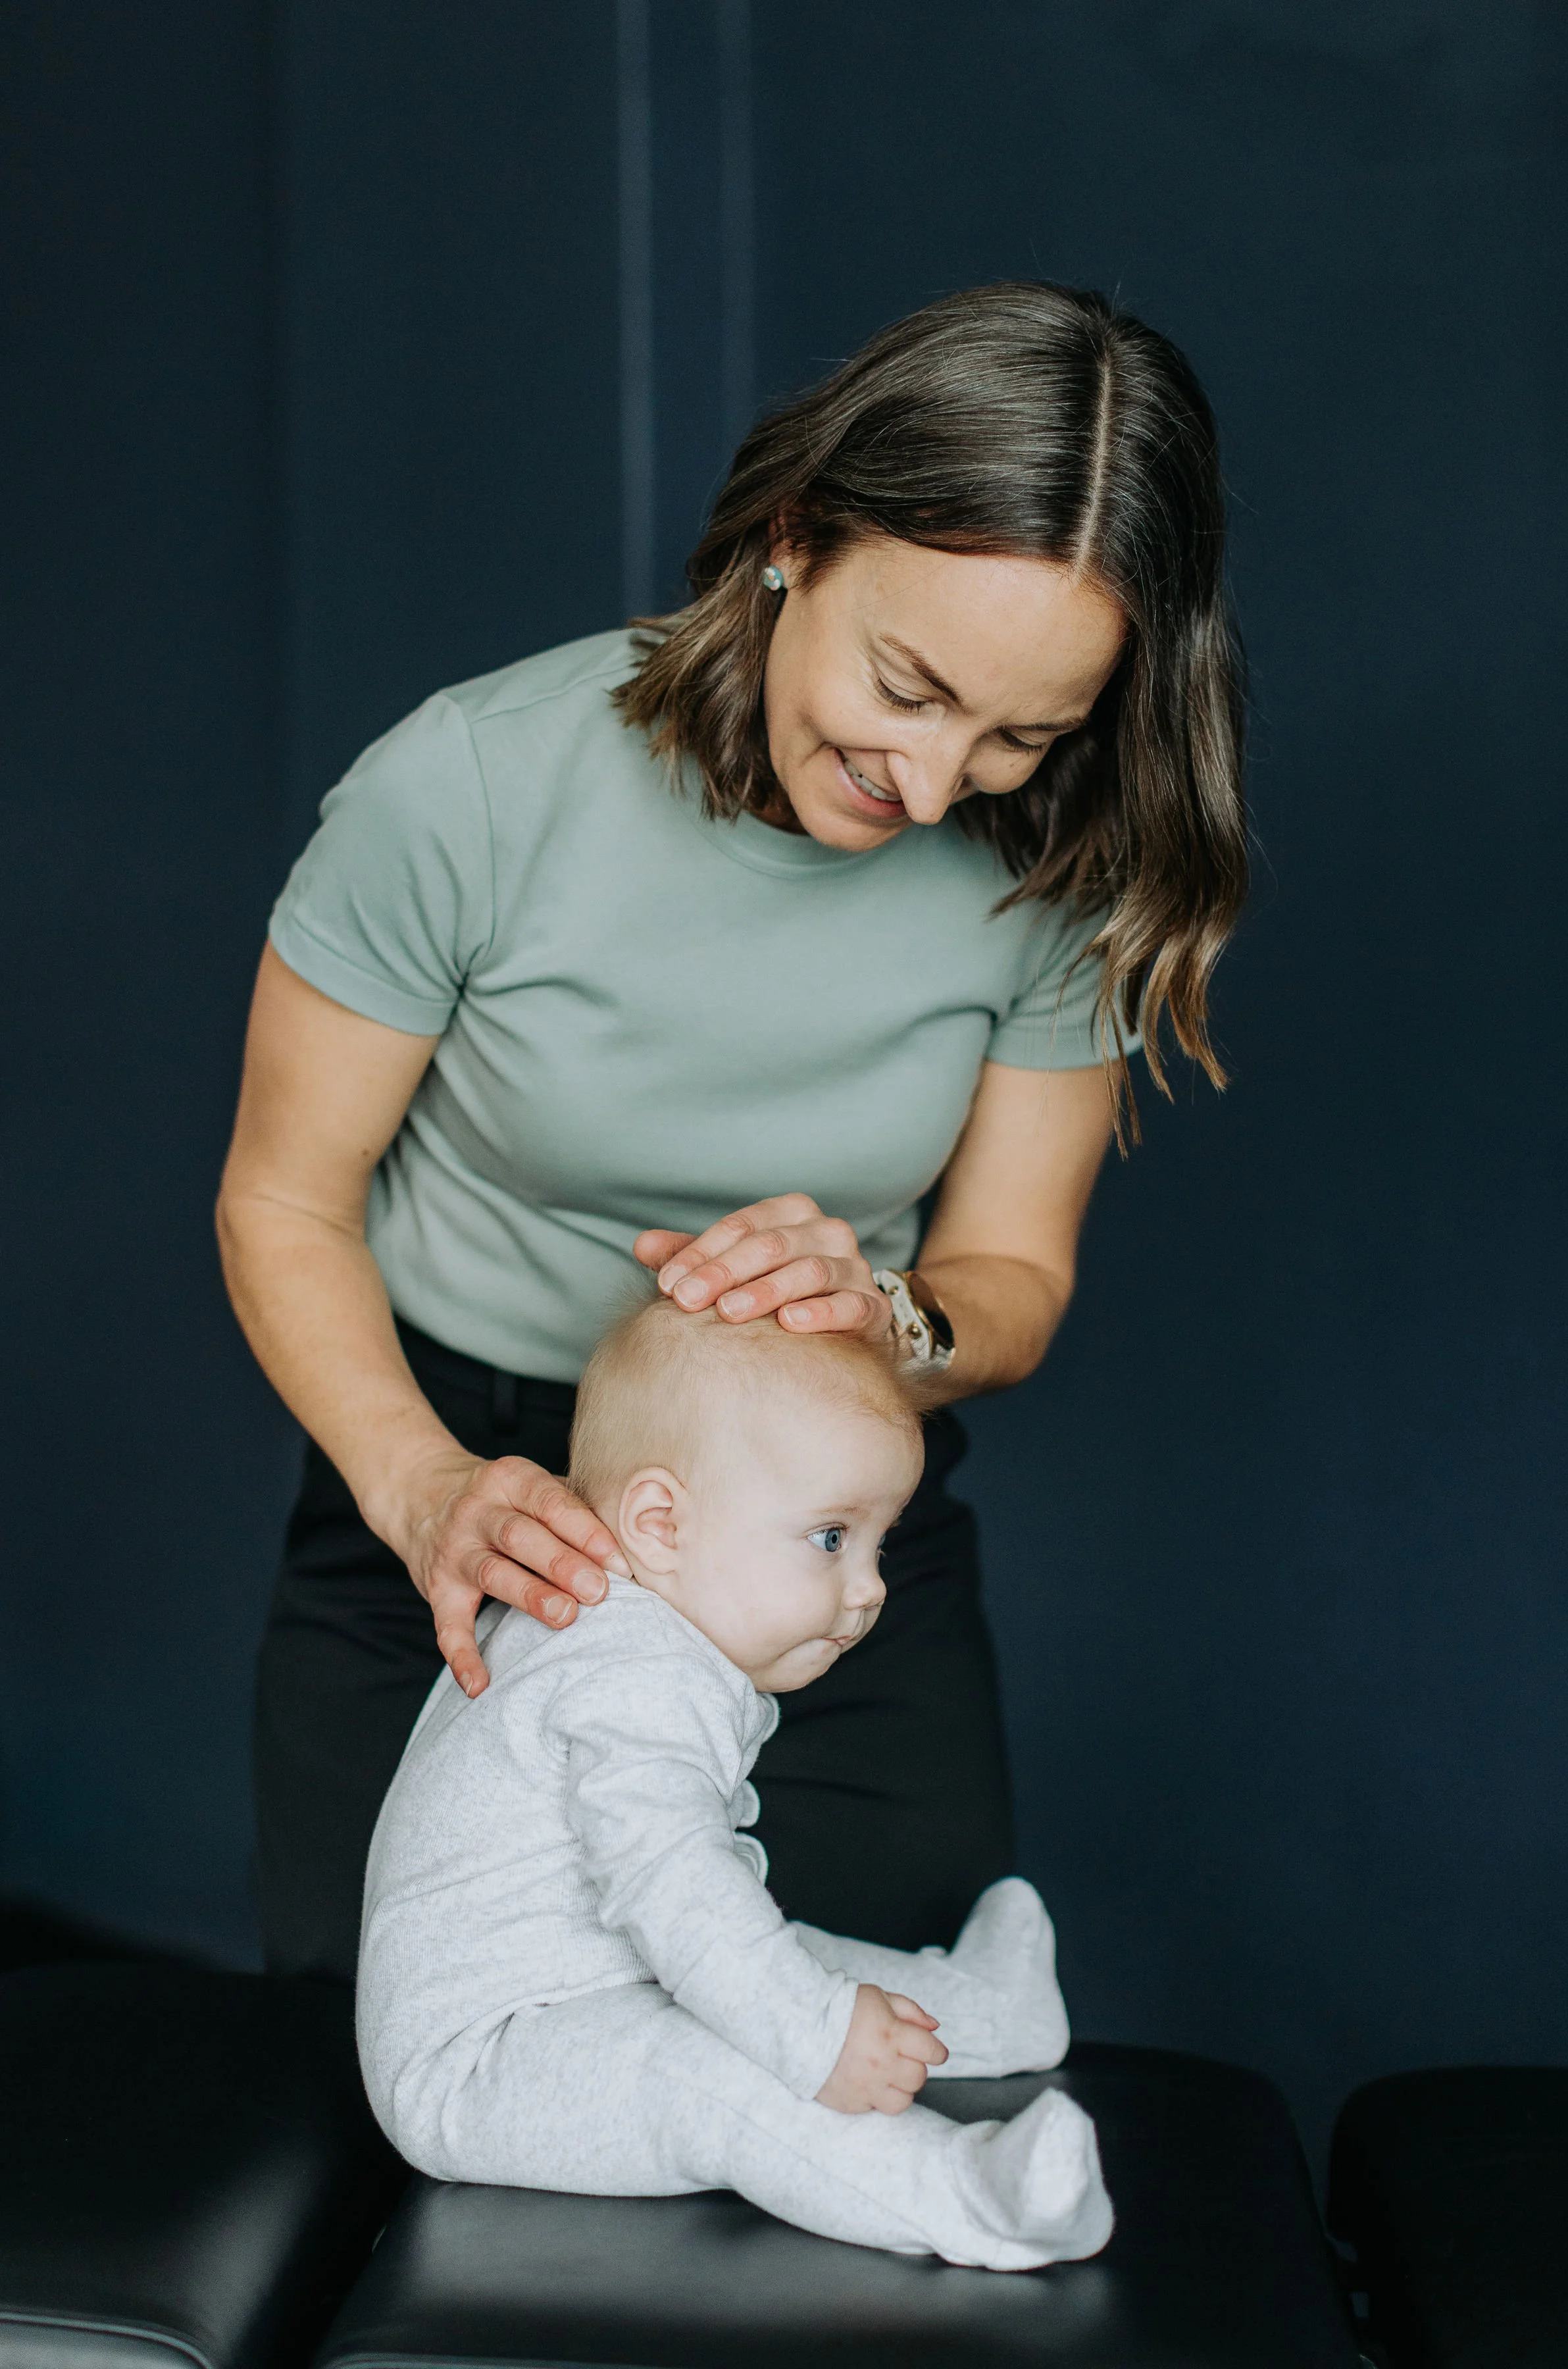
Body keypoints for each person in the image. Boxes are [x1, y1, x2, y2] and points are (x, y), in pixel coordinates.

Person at [218, 279, 1246, 1983]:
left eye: (1018, 734)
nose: (931, 788)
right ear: (794, 537)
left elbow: (1008, 1276)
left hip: (826, 1522)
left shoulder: (1058, 864)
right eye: (907, 685)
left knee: (857, 2042)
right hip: (459, 1474)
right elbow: (281, 1202)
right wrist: (422, 1495)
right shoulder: (469, 785)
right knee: (420, 2081)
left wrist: (892, 1320)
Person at [358, 1296, 1111, 2271]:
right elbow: (672, 1886)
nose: (874, 1585)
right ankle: (974, 2198)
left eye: (880, 1543)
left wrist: (812, 2003)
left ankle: (993, 2009)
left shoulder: (613, 1616)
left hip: (590, 1982)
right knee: (710, 2071)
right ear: (662, 1522)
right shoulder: (635, 1676)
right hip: (485, 2061)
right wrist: (813, 2036)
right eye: (834, 1538)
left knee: (781, 1957)